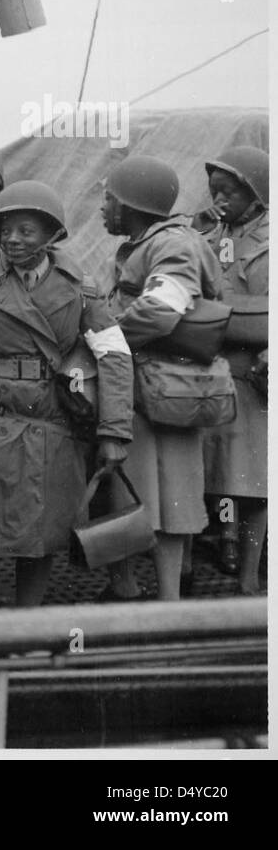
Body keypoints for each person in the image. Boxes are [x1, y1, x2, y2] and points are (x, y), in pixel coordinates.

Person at [0, 181, 133, 607]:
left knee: (41, 535)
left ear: (52, 235)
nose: (13, 240)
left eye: (26, 231)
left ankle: (27, 626)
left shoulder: (80, 288)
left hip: (53, 425)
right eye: (5, 230)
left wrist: (114, 431)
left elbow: (114, 355)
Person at [100, 155, 224, 602]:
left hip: (165, 390)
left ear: (132, 203)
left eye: (109, 198)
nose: (102, 208)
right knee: (136, 494)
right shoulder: (152, 241)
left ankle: (168, 603)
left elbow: (162, 308)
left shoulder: (173, 245)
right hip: (148, 386)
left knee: (170, 500)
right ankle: (129, 589)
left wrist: (107, 338)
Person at [197, 146, 268, 595]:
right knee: (220, 477)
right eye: (215, 190)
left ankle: (248, 573)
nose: (220, 198)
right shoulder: (216, 234)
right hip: (214, 367)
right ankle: (225, 542)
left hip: (252, 375)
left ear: (256, 194)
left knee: (254, 487)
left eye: (230, 191)